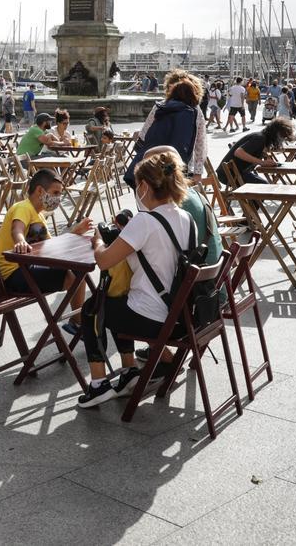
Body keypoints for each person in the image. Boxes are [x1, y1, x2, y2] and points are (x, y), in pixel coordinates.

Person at [77, 151, 195, 408]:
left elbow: (104, 260)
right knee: (120, 302)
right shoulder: (185, 218)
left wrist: (98, 240)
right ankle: (130, 370)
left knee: (92, 310)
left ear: (143, 186)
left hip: (152, 319)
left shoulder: (145, 220)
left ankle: (98, 384)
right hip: (180, 317)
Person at [0, 169, 91, 312]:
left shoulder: (39, 216)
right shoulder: (23, 207)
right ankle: (78, 324)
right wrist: (20, 241)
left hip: (27, 269)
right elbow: (17, 229)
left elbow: (52, 248)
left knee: (80, 272)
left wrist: (75, 233)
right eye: (55, 193)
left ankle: (77, 323)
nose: (58, 198)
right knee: (73, 277)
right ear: (40, 191)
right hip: (13, 274)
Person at [135, 72, 208, 180]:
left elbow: (144, 135)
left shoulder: (160, 106)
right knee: (176, 194)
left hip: (154, 163)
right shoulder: (195, 110)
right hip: (180, 164)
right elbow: (200, 142)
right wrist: (198, 172)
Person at [218, 118, 294, 186]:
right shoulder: (259, 138)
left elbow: (253, 151)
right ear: (275, 133)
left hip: (236, 173)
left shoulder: (262, 138)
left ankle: (252, 201)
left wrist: (266, 158)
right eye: (282, 136)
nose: (282, 139)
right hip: (229, 175)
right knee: (263, 187)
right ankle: (252, 201)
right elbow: (238, 152)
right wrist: (261, 162)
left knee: (264, 186)